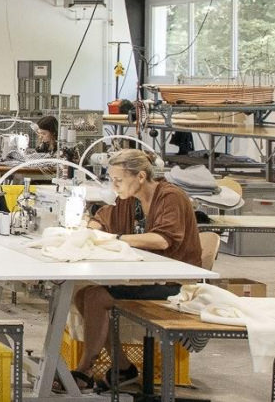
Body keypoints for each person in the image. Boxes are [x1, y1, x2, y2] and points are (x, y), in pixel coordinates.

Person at [70, 149, 203, 391]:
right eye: (111, 179)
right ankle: (121, 367)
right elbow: (102, 218)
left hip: (177, 284)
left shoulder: (170, 197)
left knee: (95, 296)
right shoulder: (128, 199)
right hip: (150, 275)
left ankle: (84, 370)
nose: (114, 185)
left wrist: (115, 238)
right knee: (81, 295)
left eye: (118, 180)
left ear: (140, 176)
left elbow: (162, 240)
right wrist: (93, 225)